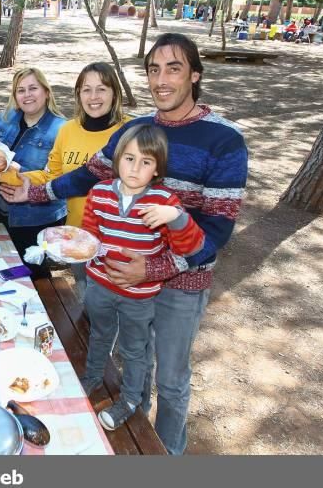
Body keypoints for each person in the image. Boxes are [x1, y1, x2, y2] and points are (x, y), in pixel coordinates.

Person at [1, 33, 248, 454]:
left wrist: (153, 269)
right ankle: (135, 420)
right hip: (121, 279)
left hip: (179, 286)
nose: (162, 79)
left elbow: (216, 232)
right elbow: (87, 176)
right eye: (154, 69)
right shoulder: (137, 130)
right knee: (135, 358)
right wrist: (36, 193)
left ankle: (165, 452)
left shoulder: (224, 140)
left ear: (195, 75)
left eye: (174, 68)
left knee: (170, 378)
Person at [80, 124, 205, 432]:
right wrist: (74, 248)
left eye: (146, 162)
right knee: (98, 334)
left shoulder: (164, 203)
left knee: (135, 349)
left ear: (157, 168)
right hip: (99, 286)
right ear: (117, 158)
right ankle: (93, 377)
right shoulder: (99, 193)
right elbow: (88, 237)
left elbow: (191, 247)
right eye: (129, 158)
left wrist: (177, 218)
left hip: (139, 296)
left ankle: (130, 399)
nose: (135, 168)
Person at [1, 62, 129, 294]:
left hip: (119, 243)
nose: (93, 97)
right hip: (77, 239)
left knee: (119, 312)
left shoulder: (129, 131)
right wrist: (20, 178)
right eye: (86, 89)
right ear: (78, 94)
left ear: (114, 93)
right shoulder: (69, 130)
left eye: (101, 89)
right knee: (86, 304)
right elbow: (53, 174)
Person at [0, 68, 67, 279]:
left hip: (35, 217)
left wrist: (14, 172)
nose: (27, 95)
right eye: (20, 90)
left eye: (33, 88)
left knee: (30, 275)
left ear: (46, 92)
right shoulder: (5, 119)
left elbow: (59, 179)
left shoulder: (61, 129)